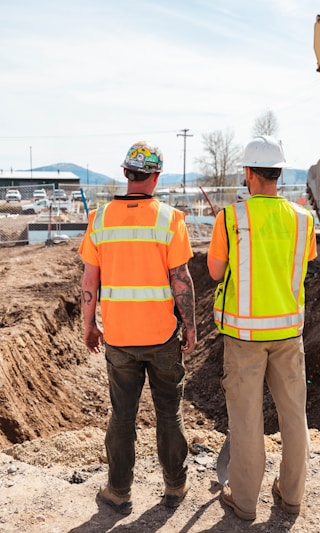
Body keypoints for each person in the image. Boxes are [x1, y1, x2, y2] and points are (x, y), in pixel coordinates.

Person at [78, 141, 197, 515]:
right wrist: (190, 326)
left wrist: (89, 325)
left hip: (119, 337)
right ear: (156, 176)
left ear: (126, 173)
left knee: (122, 415)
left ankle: (118, 492)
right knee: (169, 413)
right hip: (162, 336)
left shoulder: (98, 219)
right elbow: (181, 280)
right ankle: (175, 487)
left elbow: (89, 280)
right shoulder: (170, 220)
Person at [207, 136, 317, 520]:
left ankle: (245, 502)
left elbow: (216, 272)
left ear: (249, 173)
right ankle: (291, 498)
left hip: (244, 337)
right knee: (293, 418)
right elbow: (301, 265)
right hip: (289, 334)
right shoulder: (304, 219)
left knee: (246, 422)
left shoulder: (231, 218)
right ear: (279, 172)